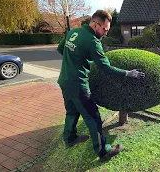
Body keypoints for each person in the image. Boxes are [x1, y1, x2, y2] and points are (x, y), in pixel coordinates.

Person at [57, 10, 145, 161]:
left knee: (72, 111)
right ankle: (103, 151)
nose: (105, 33)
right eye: (104, 29)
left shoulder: (74, 32)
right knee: (93, 118)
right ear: (95, 24)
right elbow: (106, 68)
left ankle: (69, 138)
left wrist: (79, 61)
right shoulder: (92, 41)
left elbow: (61, 49)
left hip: (64, 81)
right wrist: (128, 73)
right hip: (78, 85)